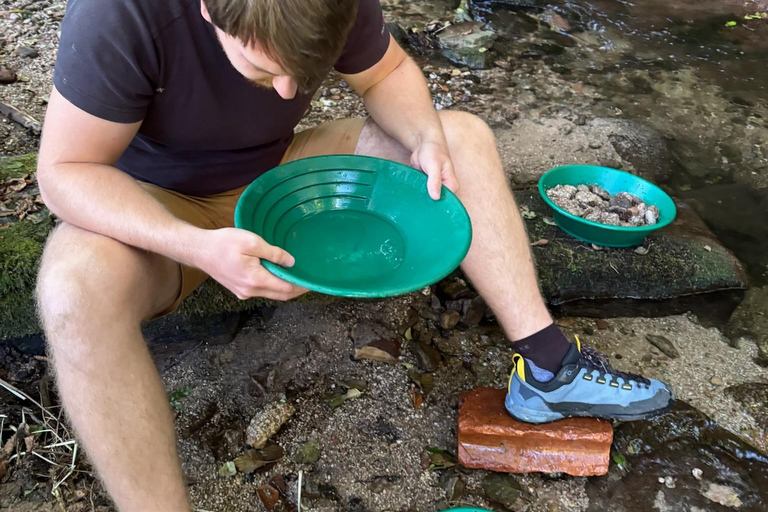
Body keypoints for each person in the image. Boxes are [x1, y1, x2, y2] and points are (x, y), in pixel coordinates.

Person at [34, 0, 674, 510]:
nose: (286, 93)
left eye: (302, 74)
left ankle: (549, 370)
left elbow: (387, 71)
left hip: (282, 176)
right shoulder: (120, 15)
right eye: (262, 71)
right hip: (159, 206)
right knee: (72, 290)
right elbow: (64, 171)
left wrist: (424, 135)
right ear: (209, 11)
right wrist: (193, 244)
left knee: (463, 138)